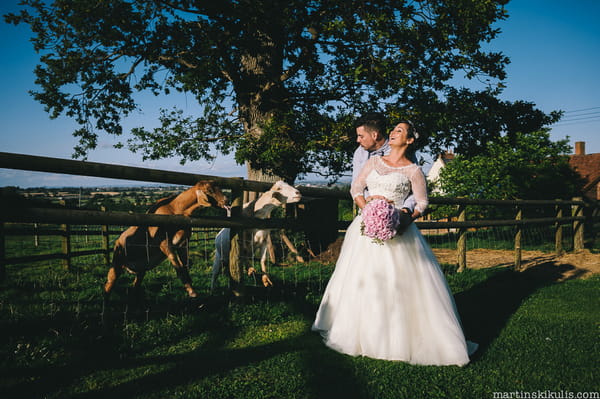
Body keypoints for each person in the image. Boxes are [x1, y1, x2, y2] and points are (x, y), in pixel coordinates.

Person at [312, 120, 478, 366]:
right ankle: (360, 331)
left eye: (399, 131)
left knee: (397, 282)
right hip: (364, 229)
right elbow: (356, 189)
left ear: (409, 140)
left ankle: (398, 337)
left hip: (400, 231)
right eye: (393, 130)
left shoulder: (414, 170)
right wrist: (368, 209)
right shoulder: (373, 162)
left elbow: (422, 202)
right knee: (361, 279)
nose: (393, 133)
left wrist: (403, 217)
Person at [352, 113, 415, 230]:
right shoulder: (359, 153)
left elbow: (416, 189)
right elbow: (356, 186)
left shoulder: (402, 150)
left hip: (397, 218)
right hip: (368, 217)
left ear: (375, 135)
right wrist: (369, 210)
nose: (357, 140)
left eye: (361, 136)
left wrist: (406, 211)